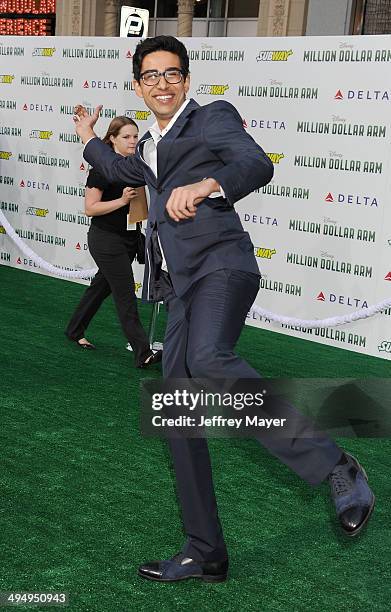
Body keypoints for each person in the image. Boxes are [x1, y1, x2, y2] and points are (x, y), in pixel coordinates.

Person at [73, 35, 375, 582]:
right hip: (180, 285)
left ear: (185, 80)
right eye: (150, 76)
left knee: (211, 360)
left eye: (171, 74)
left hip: (222, 265)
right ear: (138, 86)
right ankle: (204, 551)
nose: (161, 84)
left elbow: (254, 162)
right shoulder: (145, 144)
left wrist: (212, 183)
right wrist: (89, 139)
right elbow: (121, 172)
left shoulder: (212, 117)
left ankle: (336, 465)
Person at [65, 115, 162, 369]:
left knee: (101, 287)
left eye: (134, 136)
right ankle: (143, 353)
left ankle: (74, 330)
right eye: (125, 137)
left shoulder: (137, 165)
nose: (132, 142)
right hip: (106, 240)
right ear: (112, 140)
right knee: (125, 293)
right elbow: (90, 208)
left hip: (129, 238)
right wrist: (121, 200)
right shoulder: (101, 170)